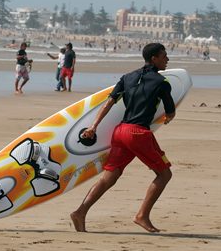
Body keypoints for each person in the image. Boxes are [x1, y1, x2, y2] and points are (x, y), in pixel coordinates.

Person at [70, 43, 175, 233]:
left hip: (120, 132)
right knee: (164, 174)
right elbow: (170, 112)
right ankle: (142, 215)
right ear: (154, 59)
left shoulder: (127, 78)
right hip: (138, 134)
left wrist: (93, 127)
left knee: (111, 175)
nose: (167, 59)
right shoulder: (162, 83)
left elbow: (108, 103)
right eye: (164, 56)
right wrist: (166, 118)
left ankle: (80, 212)